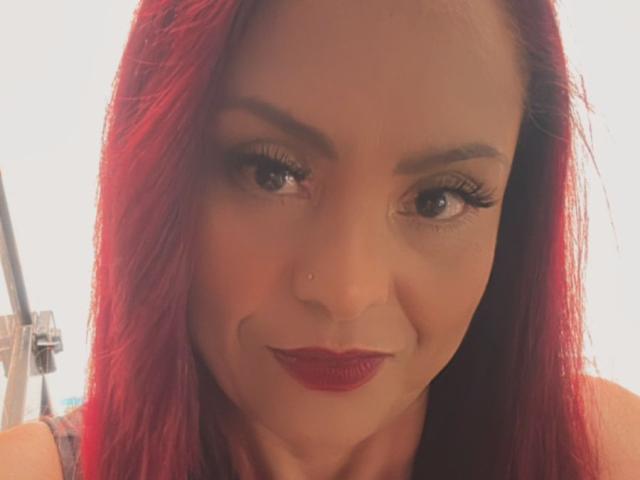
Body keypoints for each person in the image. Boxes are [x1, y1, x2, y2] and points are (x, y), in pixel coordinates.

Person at [1, 0, 639, 478]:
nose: (346, 291)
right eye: (270, 173)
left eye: (438, 199)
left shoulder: (600, 453)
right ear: (159, 180)